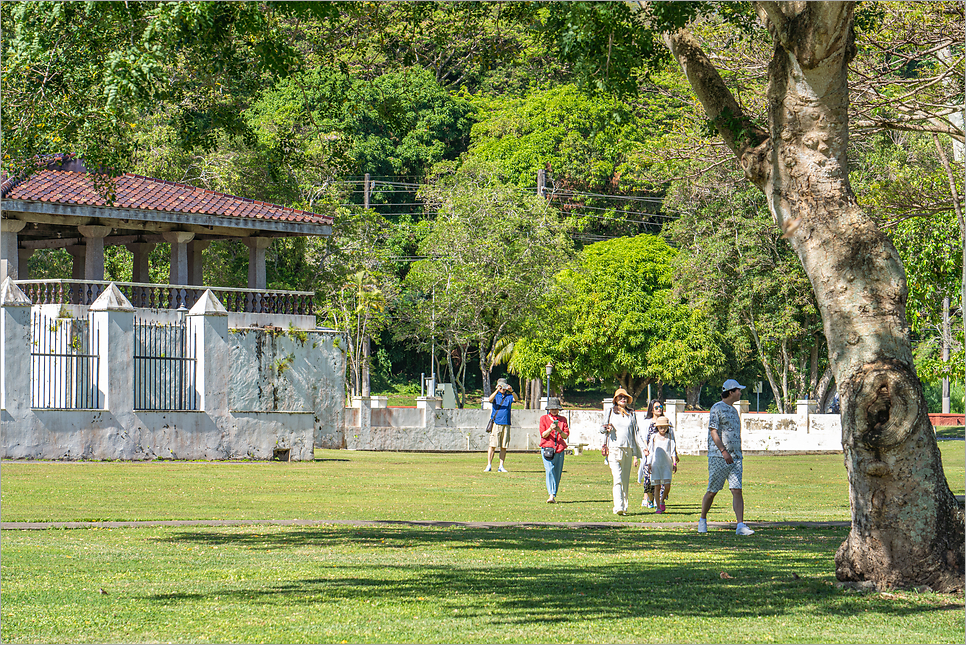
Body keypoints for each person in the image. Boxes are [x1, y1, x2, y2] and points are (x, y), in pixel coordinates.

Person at [698, 379, 754, 536]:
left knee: (737, 489)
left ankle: (740, 525)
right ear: (731, 392)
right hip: (719, 457)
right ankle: (702, 520)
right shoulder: (717, 408)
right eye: (738, 390)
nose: (740, 393)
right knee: (712, 491)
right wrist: (723, 451)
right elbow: (713, 432)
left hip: (736, 457)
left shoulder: (734, 410)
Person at [601, 388, 641, 515]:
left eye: (624, 397)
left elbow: (636, 432)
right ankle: (618, 506)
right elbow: (601, 429)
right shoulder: (610, 412)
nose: (622, 399)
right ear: (616, 399)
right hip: (614, 448)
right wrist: (606, 428)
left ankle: (624, 506)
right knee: (617, 477)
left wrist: (642, 448)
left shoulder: (631, 413)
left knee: (625, 479)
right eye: (620, 397)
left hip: (628, 449)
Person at [636, 399, 675, 508]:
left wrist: (675, 454)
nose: (659, 409)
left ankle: (659, 502)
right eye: (656, 407)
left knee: (662, 481)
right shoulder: (647, 422)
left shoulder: (667, 422)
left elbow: (672, 438)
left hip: (663, 457)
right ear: (652, 410)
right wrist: (645, 449)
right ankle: (649, 498)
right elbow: (643, 437)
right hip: (649, 455)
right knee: (648, 480)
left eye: (660, 406)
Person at [539, 397, 570, 503]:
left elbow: (565, 436)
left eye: (556, 408)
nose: (554, 410)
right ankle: (551, 495)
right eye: (552, 408)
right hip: (547, 448)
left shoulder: (563, 420)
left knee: (557, 472)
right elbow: (543, 434)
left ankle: (554, 493)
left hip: (559, 449)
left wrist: (559, 430)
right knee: (549, 470)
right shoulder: (543, 418)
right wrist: (550, 428)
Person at [646, 416, 678, 514]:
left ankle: (662, 500)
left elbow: (672, 451)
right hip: (656, 463)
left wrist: (674, 463)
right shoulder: (654, 437)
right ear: (657, 427)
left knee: (667, 485)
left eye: (665, 427)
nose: (663, 429)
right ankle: (658, 507)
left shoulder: (670, 437)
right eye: (661, 427)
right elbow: (651, 451)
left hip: (666, 464)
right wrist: (649, 463)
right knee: (657, 486)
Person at [484, 378, 513, 472]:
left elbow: (516, 399)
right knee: (492, 445)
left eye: (504, 386)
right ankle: (489, 465)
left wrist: (511, 390)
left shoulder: (509, 396)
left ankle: (501, 466)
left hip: (506, 423)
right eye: (501, 386)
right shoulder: (496, 396)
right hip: (496, 423)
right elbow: (490, 399)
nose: (502, 388)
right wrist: (497, 390)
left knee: (504, 445)